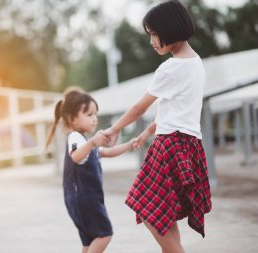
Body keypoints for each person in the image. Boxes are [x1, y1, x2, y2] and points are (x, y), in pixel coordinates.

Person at [103, 1, 212, 252]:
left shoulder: (171, 68)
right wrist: (147, 131)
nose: (152, 40)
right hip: (188, 146)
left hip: (170, 147)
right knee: (165, 219)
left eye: (154, 33)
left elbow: (139, 108)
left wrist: (115, 128)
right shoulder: (196, 63)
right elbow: (177, 111)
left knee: (151, 212)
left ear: (170, 29)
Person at [46, 88, 136, 253]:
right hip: (84, 198)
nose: (95, 119)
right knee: (104, 234)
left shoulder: (85, 141)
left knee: (89, 241)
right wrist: (92, 143)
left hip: (82, 199)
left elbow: (107, 152)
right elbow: (76, 156)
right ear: (72, 119)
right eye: (89, 115)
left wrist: (129, 145)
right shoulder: (75, 137)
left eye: (96, 114)